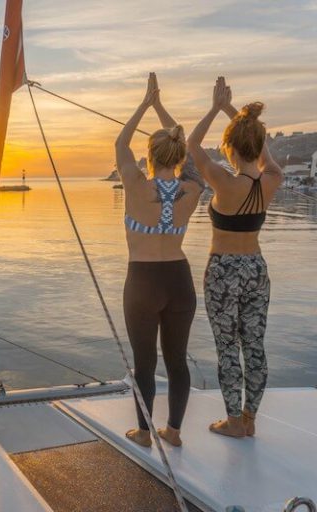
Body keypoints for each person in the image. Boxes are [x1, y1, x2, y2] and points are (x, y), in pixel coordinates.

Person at [187, 77, 283, 438]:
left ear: (229, 147)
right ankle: (250, 418)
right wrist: (237, 114)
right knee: (254, 345)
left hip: (224, 270)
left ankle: (233, 422)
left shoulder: (223, 182)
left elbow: (193, 145)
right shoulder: (270, 180)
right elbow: (262, 151)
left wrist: (216, 107)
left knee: (228, 347)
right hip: (257, 269)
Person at [115, 73, 205, 448]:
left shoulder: (136, 185)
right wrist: (162, 109)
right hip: (179, 280)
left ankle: (143, 432)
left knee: (145, 363)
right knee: (177, 361)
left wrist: (146, 103)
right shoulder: (193, 188)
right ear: (180, 155)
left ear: (149, 156)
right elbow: (181, 144)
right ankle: (175, 432)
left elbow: (121, 141)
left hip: (143, 282)